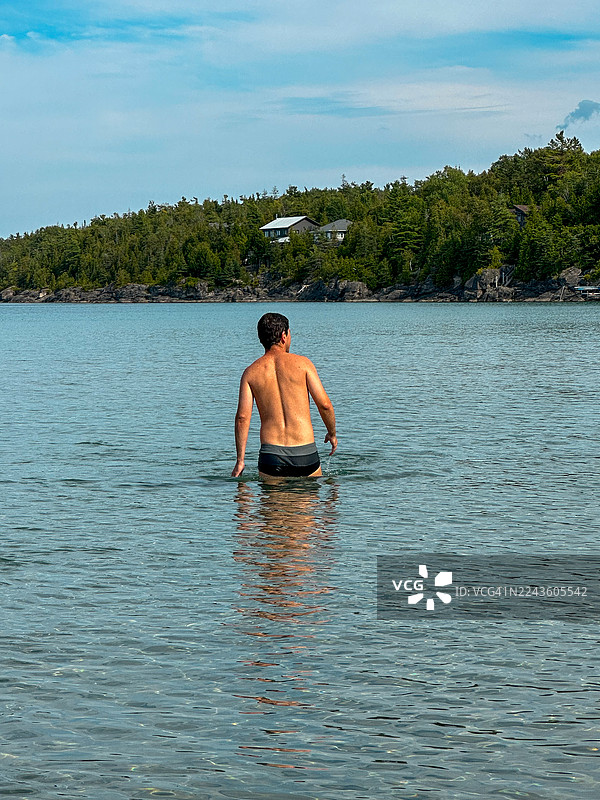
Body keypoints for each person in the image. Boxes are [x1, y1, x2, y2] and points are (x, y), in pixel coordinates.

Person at [231, 312, 337, 478]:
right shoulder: (303, 364)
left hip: (271, 457)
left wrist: (240, 460)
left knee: (272, 504)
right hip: (305, 454)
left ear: (261, 339)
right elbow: (325, 405)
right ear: (283, 336)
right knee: (307, 503)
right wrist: (332, 433)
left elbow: (242, 418)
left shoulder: (250, 373)